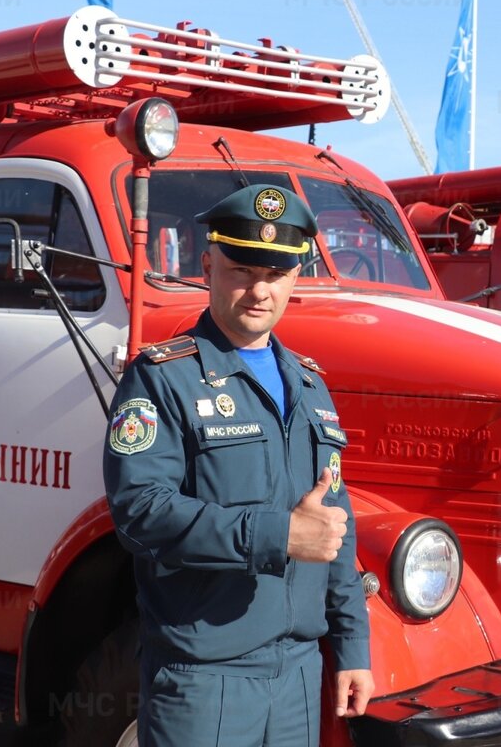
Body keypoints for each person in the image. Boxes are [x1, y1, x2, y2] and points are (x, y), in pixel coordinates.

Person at [104, 184, 374, 746]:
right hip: (206, 677)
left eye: (275, 275)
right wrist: (279, 535)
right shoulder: (162, 377)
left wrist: (352, 648)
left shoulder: (310, 385)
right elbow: (139, 511)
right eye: (241, 270)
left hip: (299, 674)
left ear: (295, 277)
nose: (259, 291)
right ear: (207, 265)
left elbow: (334, 529)